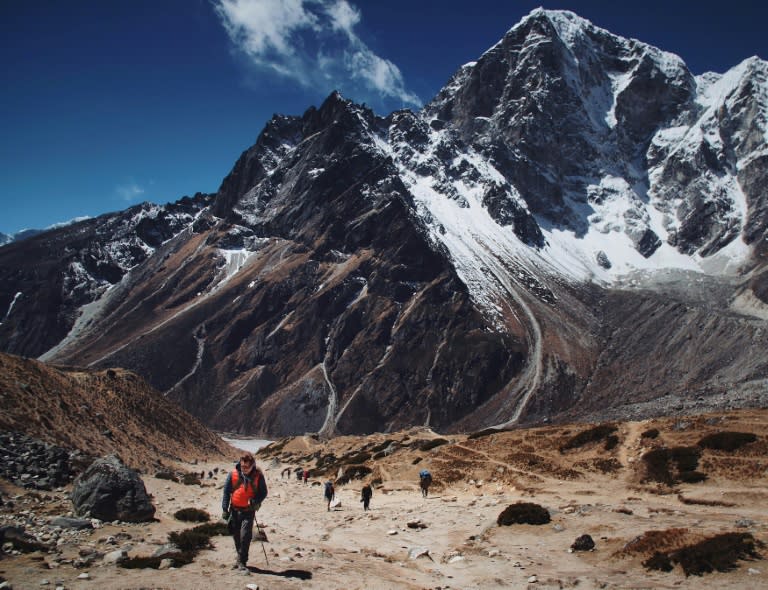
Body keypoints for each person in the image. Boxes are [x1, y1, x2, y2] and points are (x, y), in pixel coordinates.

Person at [221, 453, 268, 573]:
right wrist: (224, 509)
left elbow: (263, 492)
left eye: (246, 467)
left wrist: (256, 501)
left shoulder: (258, 476)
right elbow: (226, 492)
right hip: (234, 511)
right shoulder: (232, 475)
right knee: (236, 536)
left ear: (252, 466)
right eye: (242, 467)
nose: (244, 469)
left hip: (248, 511)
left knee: (245, 536)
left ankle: (242, 561)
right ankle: (240, 559)